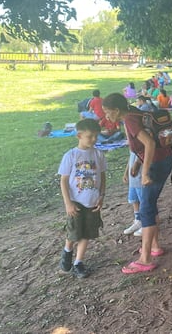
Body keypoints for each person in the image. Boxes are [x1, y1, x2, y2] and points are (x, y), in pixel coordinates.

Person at [103, 93, 172, 274]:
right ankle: (154, 247)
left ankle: (146, 260)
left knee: (146, 210)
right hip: (164, 159)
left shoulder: (129, 120)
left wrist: (144, 172)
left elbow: (149, 143)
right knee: (149, 205)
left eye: (107, 112)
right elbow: (142, 145)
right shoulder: (134, 113)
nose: (106, 116)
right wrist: (136, 164)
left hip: (156, 165)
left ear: (117, 110)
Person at [57, 118, 106, 279]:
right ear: (79, 136)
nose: (93, 140)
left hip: (92, 201)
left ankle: (78, 262)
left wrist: (101, 196)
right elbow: (63, 180)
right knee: (74, 232)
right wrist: (68, 203)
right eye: (90, 136)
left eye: (96, 136)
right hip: (76, 202)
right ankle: (68, 251)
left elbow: (102, 176)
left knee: (87, 233)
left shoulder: (98, 154)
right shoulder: (71, 155)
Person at [122, 150, 143, 237]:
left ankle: (146, 223)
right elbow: (131, 157)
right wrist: (126, 172)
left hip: (141, 175)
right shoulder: (132, 142)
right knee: (134, 199)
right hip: (133, 177)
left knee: (144, 200)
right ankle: (138, 220)